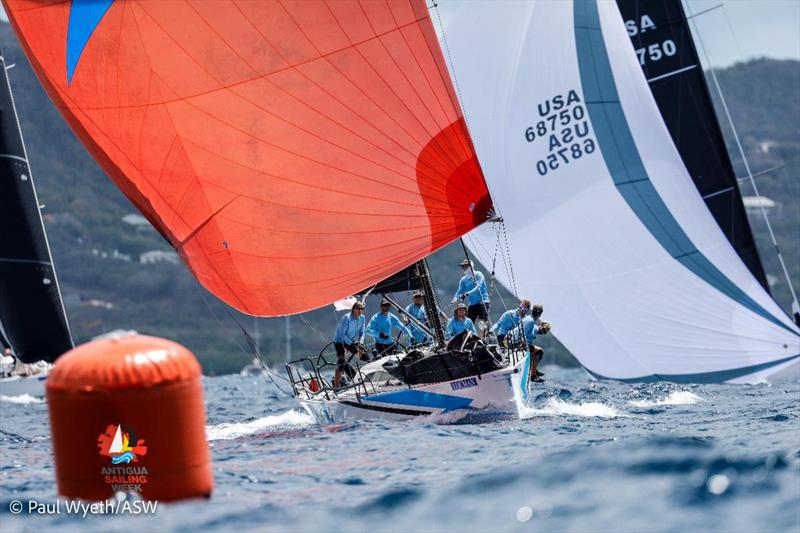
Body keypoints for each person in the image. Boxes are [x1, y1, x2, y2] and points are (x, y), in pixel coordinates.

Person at [332, 301, 367, 387]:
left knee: (363, 356)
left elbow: (362, 333)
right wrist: (351, 345)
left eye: (362, 309)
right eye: (358, 308)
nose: (360, 310)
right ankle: (337, 386)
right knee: (341, 362)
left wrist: (361, 343)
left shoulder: (362, 318)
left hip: (349, 340)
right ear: (353, 309)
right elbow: (342, 335)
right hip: (339, 341)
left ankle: (368, 377)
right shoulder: (346, 318)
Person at [452, 259, 490, 331]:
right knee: (467, 323)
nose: (463, 268)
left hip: (483, 301)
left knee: (482, 323)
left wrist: (467, 293)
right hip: (472, 303)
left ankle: (483, 339)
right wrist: (455, 298)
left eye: (465, 266)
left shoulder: (478, 275)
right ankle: (469, 340)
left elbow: (478, 287)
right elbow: (459, 291)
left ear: (470, 267)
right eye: (463, 267)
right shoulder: (463, 280)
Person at [519, 304, 550, 382]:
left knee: (535, 351)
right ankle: (532, 375)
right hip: (522, 344)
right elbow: (523, 332)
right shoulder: (530, 321)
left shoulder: (529, 319)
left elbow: (533, 330)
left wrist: (541, 329)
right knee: (539, 352)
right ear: (540, 314)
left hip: (524, 343)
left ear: (532, 311)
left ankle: (533, 370)